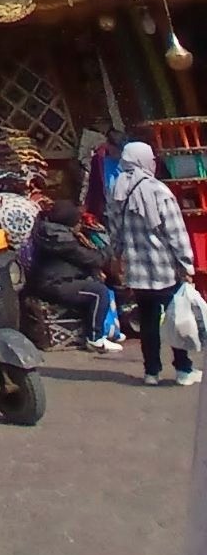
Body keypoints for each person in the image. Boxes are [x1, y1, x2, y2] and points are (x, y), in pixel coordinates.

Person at [109, 139, 199, 388]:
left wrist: (118, 258)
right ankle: (183, 369)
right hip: (164, 269)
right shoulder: (158, 190)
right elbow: (175, 232)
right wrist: (187, 264)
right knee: (176, 319)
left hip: (137, 271)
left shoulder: (116, 189)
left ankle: (151, 372)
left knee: (147, 322)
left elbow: (114, 231)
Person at [28, 200, 123, 354]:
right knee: (99, 292)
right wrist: (107, 250)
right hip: (55, 284)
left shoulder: (48, 231)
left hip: (49, 281)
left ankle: (108, 330)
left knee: (94, 282)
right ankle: (95, 339)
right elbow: (92, 259)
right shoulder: (62, 239)